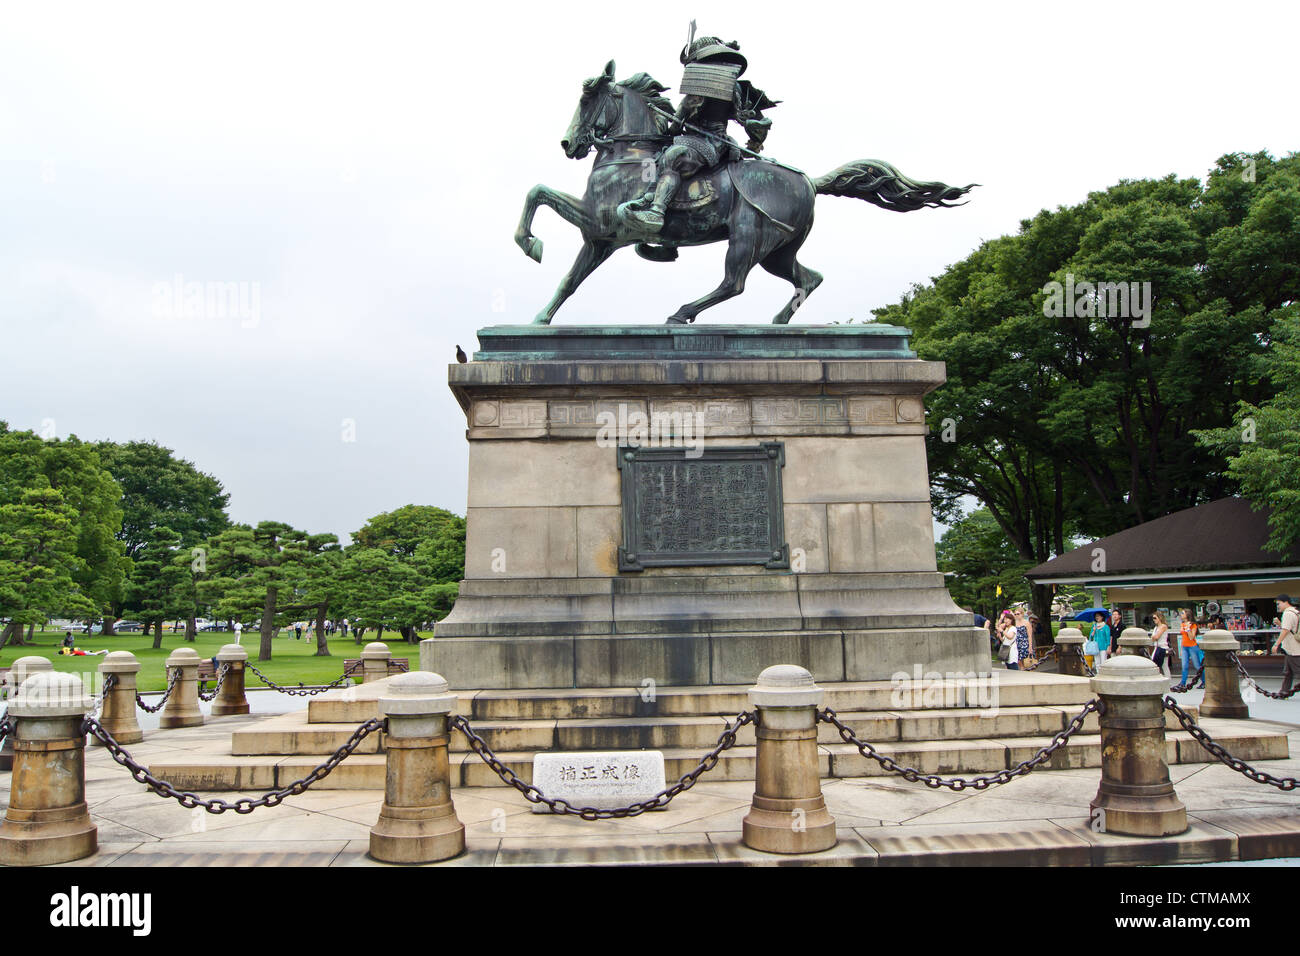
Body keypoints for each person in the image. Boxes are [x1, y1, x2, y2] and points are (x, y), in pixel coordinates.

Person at [617, 34, 776, 234]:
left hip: (708, 142)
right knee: (651, 159)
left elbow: (681, 117)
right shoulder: (731, 85)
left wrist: (671, 125)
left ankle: (657, 212)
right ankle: (650, 200)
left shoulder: (707, 84)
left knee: (673, 157)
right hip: (698, 139)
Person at [1271, 595, 1300, 695]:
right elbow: (1291, 629)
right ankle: (1284, 691)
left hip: (1293, 648)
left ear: (1285, 602)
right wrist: (1280, 623)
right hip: (1293, 648)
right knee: (1288, 672)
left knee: (1297, 671)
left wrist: (1276, 644)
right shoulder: (1295, 612)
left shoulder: (1287, 613)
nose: (1278, 606)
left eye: (1279, 603)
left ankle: (1284, 691)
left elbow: (1285, 630)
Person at [1178, 608, 1203, 689]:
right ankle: (1182, 682)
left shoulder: (1193, 625)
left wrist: (1188, 628)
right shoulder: (1182, 624)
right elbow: (1183, 637)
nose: (1181, 615)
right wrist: (1181, 649)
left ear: (1187, 615)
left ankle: (1204, 682)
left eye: (1183, 613)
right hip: (1185, 646)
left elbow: (1191, 637)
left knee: (1197, 665)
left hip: (1192, 646)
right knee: (1184, 665)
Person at [1151, 611, 1172, 677]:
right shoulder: (1156, 627)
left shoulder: (1163, 626)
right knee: (1155, 664)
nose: (1154, 620)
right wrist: (1154, 637)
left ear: (1159, 618)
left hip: (1162, 648)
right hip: (1156, 647)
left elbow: (1157, 637)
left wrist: (1154, 637)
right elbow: (1153, 637)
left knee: (1164, 666)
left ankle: (1168, 682)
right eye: (1153, 618)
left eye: (1155, 618)